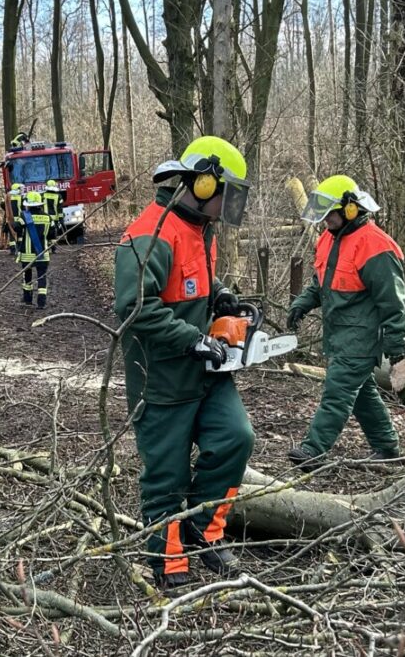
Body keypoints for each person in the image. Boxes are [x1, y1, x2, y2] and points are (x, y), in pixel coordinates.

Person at [113, 136, 255, 591]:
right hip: (163, 378)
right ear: (204, 182)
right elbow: (134, 307)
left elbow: (193, 286)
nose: (227, 205)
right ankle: (168, 558)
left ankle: (204, 530)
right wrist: (192, 339)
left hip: (206, 373)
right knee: (166, 474)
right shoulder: (149, 234)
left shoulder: (199, 230)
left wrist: (222, 299)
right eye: (225, 193)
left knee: (236, 437)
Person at [284, 175, 405, 468]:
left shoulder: (376, 246)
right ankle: (388, 447)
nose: (326, 220)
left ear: (350, 209)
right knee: (362, 394)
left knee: (337, 392)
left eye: (330, 213)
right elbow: (323, 282)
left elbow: (394, 303)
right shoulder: (331, 238)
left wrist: (396, 347)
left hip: (362, 336)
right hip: (338, 333)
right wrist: (303, 303)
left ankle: (313, 451)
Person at [14, 190, 52, 308]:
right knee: (42, 277)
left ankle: (27, 299)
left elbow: (17, 228)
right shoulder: (47, 218)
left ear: (28, 205)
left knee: (27, 277)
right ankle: (41, 302)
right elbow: (52, 234)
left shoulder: (24, 216)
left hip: (27, 254)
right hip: (43, 253)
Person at [43, 179, 64, 247]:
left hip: (45, 217)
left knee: (45, 232)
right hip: (54, 218)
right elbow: (60, 209)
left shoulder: (43, 195)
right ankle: (53, 247)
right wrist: (61, 219)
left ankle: (47, 246)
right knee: (53, 232)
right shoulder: (58, 196)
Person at [3, 183, 23, 255]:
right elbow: (23, 208)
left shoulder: (8, 197)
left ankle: (12, 250)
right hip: (19, 219)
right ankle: (20, 249)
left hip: (10, 219)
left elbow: (3, 204)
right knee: (20, 235)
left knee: (11, 235)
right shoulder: (21, 197)